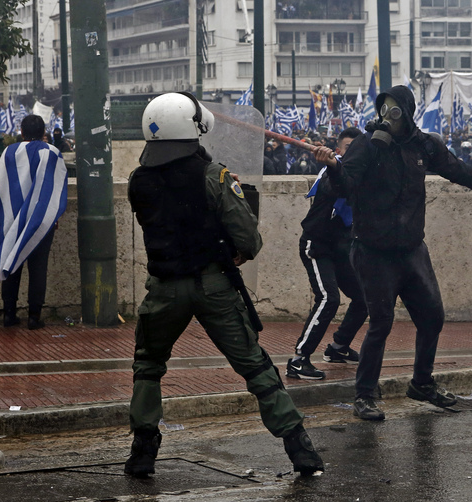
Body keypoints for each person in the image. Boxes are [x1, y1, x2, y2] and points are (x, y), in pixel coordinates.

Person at [125, 92, 323, 477]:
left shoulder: (138, 180)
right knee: (255, 367)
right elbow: (248, 240)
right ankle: (301, 450)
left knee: (148, 367)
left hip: (163, 288)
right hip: (213, 285)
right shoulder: (213, 175)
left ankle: (142, 452)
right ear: (190, 129)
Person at [313, 85, 472, 421]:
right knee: (381, 322)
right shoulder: (367, 145)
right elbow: (342, 186)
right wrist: (334, 169)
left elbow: (458, 170)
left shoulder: (424, 145)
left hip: (412, 249)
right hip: (373, 251)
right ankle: (364, 395)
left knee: (432, 317)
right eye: (384, 109)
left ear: (408, 113)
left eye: (395, 110)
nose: (388, 117)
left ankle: (422, 384)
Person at [287, 127, 368, 380]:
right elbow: (339, 188)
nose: (352, 154)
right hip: (317, 245)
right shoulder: (329, 173)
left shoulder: (363, 175)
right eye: (347, 149)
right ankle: (299, 359)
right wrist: (334, 165)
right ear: (339, 150)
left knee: (364, 297)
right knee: (328, 298)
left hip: (341, 248)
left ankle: (338, 347)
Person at [0, 115, 67, 330]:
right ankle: (34, 317)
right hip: (40, 222)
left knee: (11, 263)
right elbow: (56, 191)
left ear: (21, 131)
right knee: (38, 269)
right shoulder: (52, 153)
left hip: (12, 220)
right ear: (43, 132)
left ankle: (9, 314)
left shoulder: (9, 152)